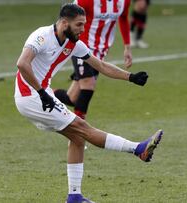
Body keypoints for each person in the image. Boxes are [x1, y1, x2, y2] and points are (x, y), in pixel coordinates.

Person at [14, 3, 162, 203]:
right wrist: (42, 93)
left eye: (84, 25)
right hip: (31, 96)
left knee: (77, 138)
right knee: (82, 127)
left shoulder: (75, 43)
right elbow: (22, 63)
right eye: (79, 25)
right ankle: (138, 149)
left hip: (40, 94)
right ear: (64, 23)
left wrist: (131, 77)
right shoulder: (42, 36)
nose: (83, 30)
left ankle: (74, 196)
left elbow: (100, 65)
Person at [54, 0, 132, 120]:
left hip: (100, 52)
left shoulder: (124, 1)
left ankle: (43, 91)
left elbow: (123, 18)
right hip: (81, 46)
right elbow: (66, 19)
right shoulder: (85, 1)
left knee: (72, 98)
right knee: (88, 84)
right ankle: (79, 131)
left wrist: (127, 47)